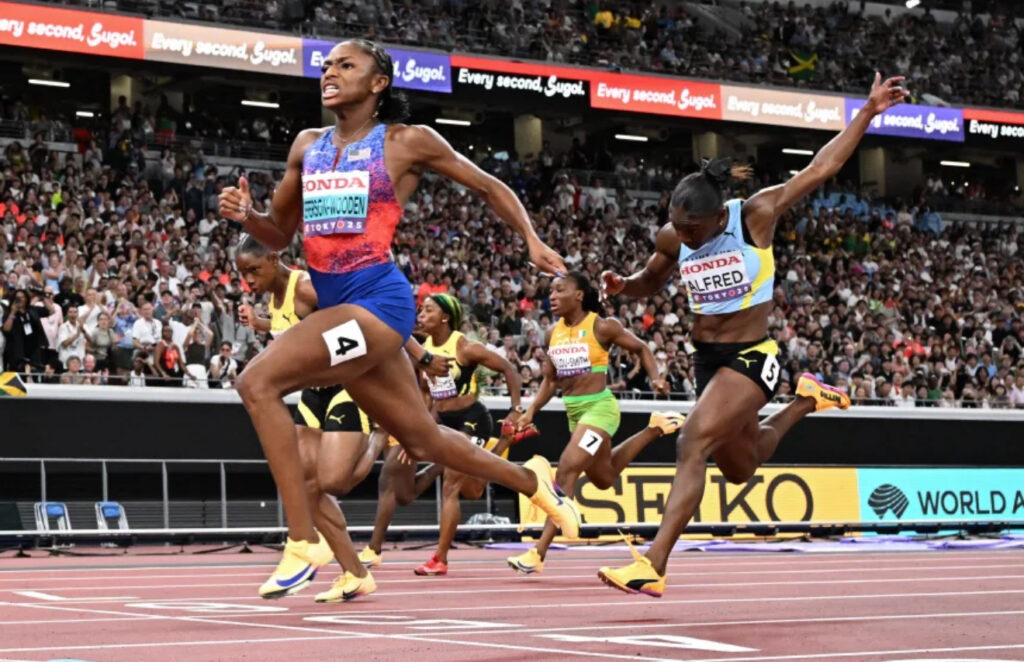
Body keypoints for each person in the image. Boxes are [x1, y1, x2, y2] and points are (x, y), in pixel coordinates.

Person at [218, 38, 579, 598]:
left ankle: (302, 541)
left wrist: (529, 238)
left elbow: (487, 185)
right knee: (424, 438)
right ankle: (533, 480)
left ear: (378, 82)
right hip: (341, 310)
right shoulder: (308, 146)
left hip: (379, 303)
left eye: (346, 65)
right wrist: (249, 215)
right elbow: (279, 234)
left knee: (255, 381)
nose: (330, 72)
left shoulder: (405, 141)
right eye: (327, 65)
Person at [595, 73, 906, 597]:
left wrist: (868, 112)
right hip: (708, 360)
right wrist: (624, 285)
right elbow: (651, 279)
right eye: (678, 228)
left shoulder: (755, 215)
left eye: (693, 230)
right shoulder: (674, 236)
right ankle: (806, 400)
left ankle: (654, 563)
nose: (684, 238)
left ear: (719, 216)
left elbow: (821, 167)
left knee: (693, 441)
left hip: (752, 356)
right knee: (741, 467)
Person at [234, 233, 444, 599]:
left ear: (274, 259)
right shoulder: (274, 299)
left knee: (333, 482)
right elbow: (290, 330)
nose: (248, 281)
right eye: (242, 274)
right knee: (303, 483)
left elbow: (375, 317)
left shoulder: (306, 287)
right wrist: (258, 323)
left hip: (347, 385)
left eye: (253, 270)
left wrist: (421, 356)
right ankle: (355, 573)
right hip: (314, 392)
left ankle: (379, 437)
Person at [506, 273, 684, 575]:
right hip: (574, 414)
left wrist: (656, 378)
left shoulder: (602, 326)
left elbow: (641, 348)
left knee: (567, 469)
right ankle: (654, 429)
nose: (552, 296)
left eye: (560, 290)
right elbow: (550, 380)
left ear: (579, 295)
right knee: (604, 477)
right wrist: (531, 410)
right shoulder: (552, 333)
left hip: (600, 410)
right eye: (551, 291)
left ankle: (538, 552)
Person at [360, 294, 536, 576]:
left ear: (445, 317)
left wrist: (516, 409)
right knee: (468, 489)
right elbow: (427, 395)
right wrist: (417, 432)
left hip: (472, 421)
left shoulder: (464, 347)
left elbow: (508, 368)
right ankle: (500, 444)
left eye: (428, 310)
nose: (421, 314)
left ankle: (440, 558)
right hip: (441, 422)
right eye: (421, 310)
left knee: (453, 487)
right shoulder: (423, 351)